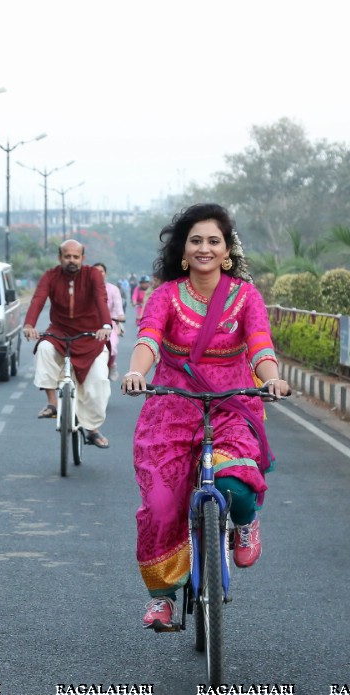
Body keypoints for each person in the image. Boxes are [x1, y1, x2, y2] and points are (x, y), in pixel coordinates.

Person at [121, 203, 290, 629]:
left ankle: (246, 524)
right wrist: (136, 372)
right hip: (172, 407)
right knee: (161, 505)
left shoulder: (246, 296)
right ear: (184, 249)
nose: (204, 248)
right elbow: (148, 340)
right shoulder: (164, 296)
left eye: (214, 240)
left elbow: (260, 345)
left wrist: (272, 379)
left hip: (231, 403)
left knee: (237, 483)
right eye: (196, 240)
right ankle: (162, 598)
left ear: (227, 249)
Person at [23, 239, 113, 448]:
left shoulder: (93, 275)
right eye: (67, 256)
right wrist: (29, 324)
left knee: (98, 381)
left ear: (83, 258)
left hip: (92, 336)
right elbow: (38, 299)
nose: (71, 260)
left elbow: (101, 299)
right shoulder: (50, 276)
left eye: (75, 256)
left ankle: (92, 430)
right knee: (44, 347)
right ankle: (52, 402)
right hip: (59, 332)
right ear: (60, 258)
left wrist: (106, 326)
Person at [94, 262, 125, 380]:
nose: (98, 274)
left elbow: (118, 307)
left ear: (105, 273)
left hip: (110, 322)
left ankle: (111, 364)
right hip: (90, 323)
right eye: (95, 271)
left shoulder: (113, 289)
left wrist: (120, 315)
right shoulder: (87, 289)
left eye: (101, 271)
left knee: (112, 344)